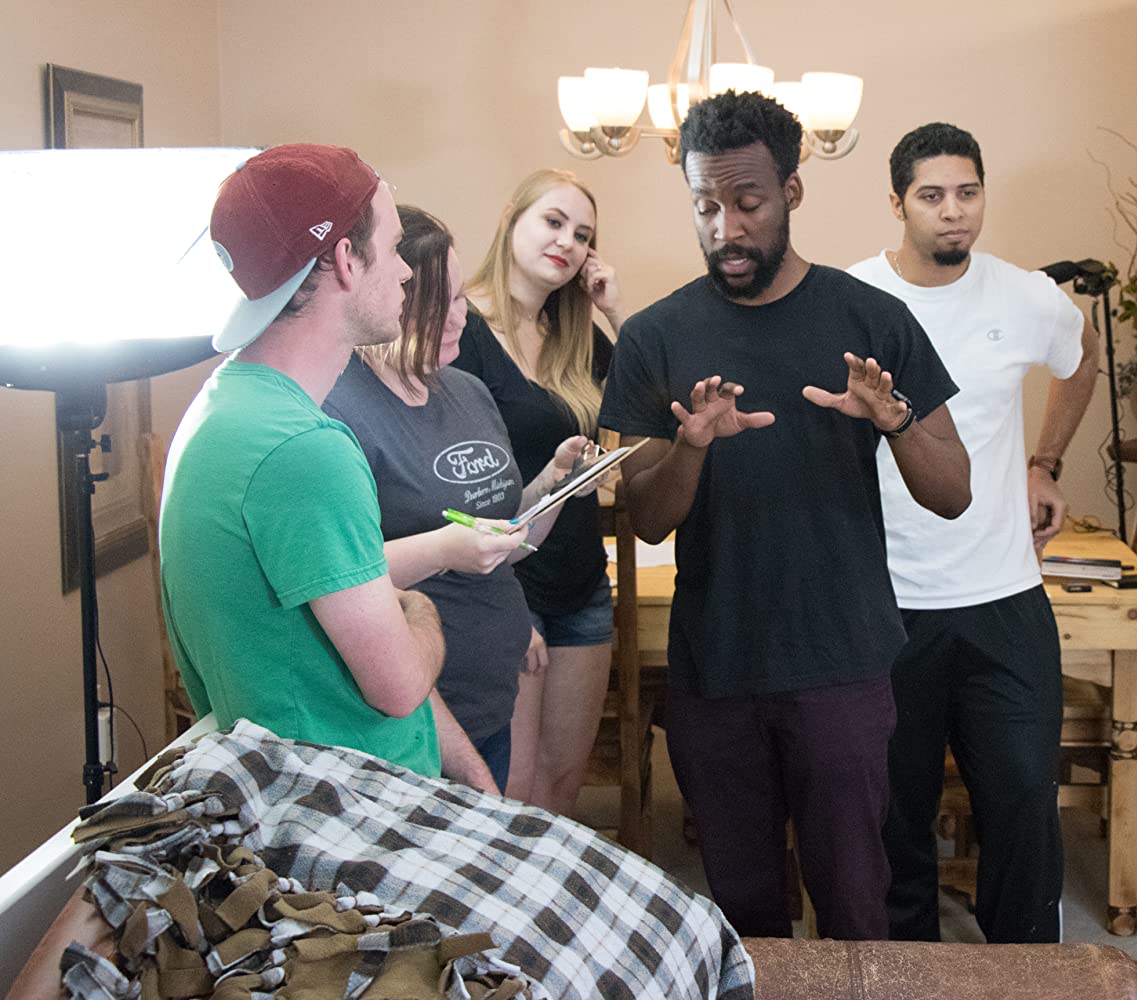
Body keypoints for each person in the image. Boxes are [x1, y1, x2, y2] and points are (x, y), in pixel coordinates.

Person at [599, 91, 972, 939]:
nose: (725, 228)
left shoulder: (870, 318)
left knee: (854, 905)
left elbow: (952, 492)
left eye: (747, 203)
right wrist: (690, 446)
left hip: (842, 663)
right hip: (715, 667)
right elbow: (644, 520)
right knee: (743, 913)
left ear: (791, 192)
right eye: (704, 205)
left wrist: (895, 422)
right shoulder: (654, 337)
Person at [848, 122, 1098, 943]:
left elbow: (1081, 355)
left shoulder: (1024, 296)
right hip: (886, 605)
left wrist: (1043, 463)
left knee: (1023, 802)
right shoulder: (851, 299)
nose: (952, 211)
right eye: (931, 195)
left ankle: (1025, 974)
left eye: (967, 192)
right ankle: (908, 976)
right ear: (896, 204)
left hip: (1002, 601)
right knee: (894, 817)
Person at [162, 144, 464, 781]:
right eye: (395, 247)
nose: (406, 273)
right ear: (346, 260)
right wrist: (421, 611)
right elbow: (399, 685)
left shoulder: (223, 407)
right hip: (342, 801)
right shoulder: (304, 449)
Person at [323, 205, 592, 792]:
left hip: (495, 691)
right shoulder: (339, 408)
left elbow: (506, 536)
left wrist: (554, 483)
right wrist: (445, 548)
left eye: (461, 297)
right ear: (388, 294)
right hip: (414, 711)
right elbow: (337, 577)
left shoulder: (467, 391)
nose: (459, 317)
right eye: (435, 302)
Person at [452, 168, 627, 814]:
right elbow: (448, 478)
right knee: (511, 795)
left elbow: (653, 394)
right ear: (511, 218)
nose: (567, 243)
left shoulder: (575, 336)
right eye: (553, 222)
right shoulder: (462, 328)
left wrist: (613, 309)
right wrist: (500, 602)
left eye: (582, 235)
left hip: (581, 585)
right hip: (505, 586)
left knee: (562, 786)